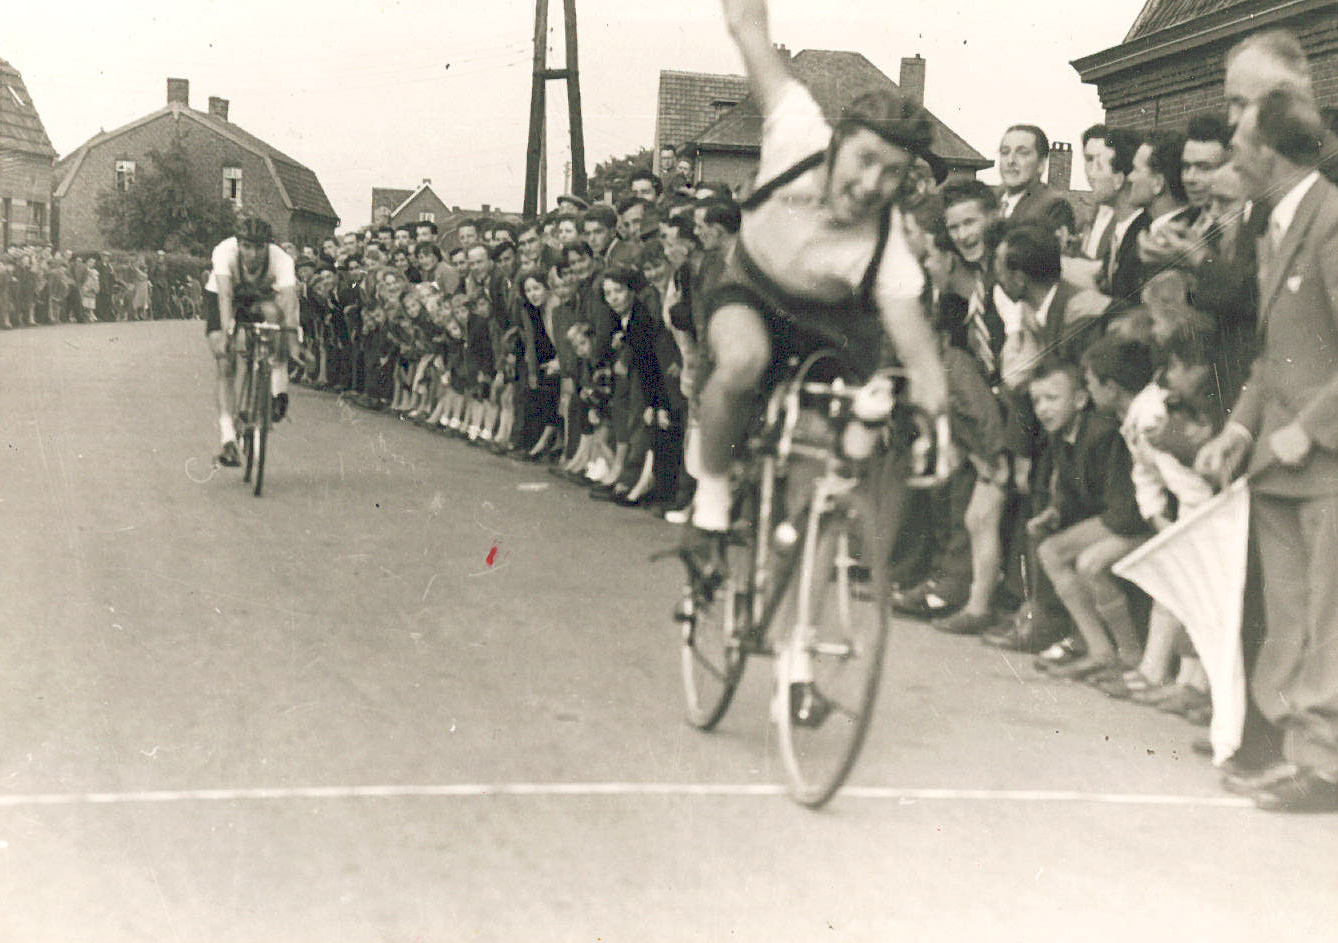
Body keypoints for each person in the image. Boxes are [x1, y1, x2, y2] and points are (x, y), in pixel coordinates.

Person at [685, 0, 949, 574]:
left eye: (893, 172)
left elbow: (917, 349)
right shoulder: (795, 131)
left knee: (828, 456)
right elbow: (749, 30)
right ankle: (712, 495)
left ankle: (794, 603)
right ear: (836, 144)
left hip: (830, 326)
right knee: (743, 362)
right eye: (865, 160)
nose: (872, 184)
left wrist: (938, 423)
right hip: (750, 288)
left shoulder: (888, 247)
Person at [1195, 87, 1338, 813]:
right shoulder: (1274, 227)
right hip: (1277, 466)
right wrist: (1240, 430)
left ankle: (1323, 764)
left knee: (1327, 620)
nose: (1231, 159)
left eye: (1239, 145)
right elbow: (1268, 355)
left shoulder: (1331, 220)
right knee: (1289, 620)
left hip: (1324, 463)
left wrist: (1308, 427)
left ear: (1269, 153)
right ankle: (1292, 753)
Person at [205, 216, 299, 467]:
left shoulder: (282, 259)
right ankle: (228, 439)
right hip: (223, 295)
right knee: (225, 361)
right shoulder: (224, 251)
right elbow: (225, 296)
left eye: (259, 247)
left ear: (268, 246)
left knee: (276, 320)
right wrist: (227, 335)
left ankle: (278, 386)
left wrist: (292, 342)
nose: (253, 254)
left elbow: (289, 302)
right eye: (246, 246)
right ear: (238, 244)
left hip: (260, 297)